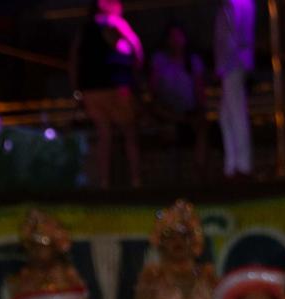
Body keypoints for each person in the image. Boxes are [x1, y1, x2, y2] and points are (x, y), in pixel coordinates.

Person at [74, 0, 144, 188]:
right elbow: (136, 51)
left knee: (105, 134)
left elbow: (74, 59)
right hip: (114, 87)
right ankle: (135, 181)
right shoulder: (113, 23)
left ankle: (105, 183)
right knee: (128, 133)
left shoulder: (86, 28)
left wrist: (78, 90)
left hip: (92, 90)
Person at [148, 20, 210, 178]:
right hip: (166, 111)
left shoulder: (192, 61)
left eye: (178, 36)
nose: (175, 41)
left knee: (201, 129)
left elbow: (199, 88)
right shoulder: (160, 60)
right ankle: (170, 177)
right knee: (168, 126)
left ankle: (199, 173)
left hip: (189, 112)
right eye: (172, 37)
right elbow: (153, 90)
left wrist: (201, 109)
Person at [214, 0, 256, 178]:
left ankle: (242, 166)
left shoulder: (237, 4)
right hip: (233, 63)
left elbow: (231, 37)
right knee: (225, 116)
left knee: (236, 113)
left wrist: (224, 64)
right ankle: (231, 165)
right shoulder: (239, 4)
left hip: (233, 63)